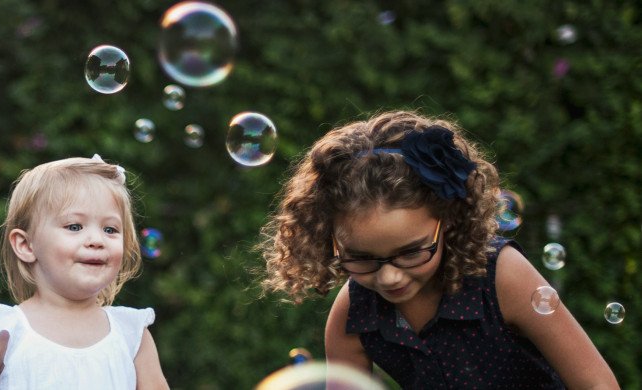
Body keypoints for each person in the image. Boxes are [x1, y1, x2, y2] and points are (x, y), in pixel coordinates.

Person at [257, 111, 618, 388]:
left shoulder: (502, 277)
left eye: (411, 252)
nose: (389, 276)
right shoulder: (354, 314)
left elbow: (598, 384)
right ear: (328, 239)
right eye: (362, 258)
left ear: (448, 220)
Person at [0, 156, 169, 389]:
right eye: (74, 226)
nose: (97, 240)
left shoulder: (132, 335)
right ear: (26, 245)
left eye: (110, 229)